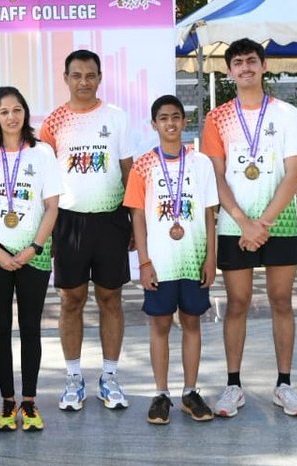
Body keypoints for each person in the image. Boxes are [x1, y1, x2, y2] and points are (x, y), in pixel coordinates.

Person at [201, 38, 297, 418]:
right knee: (237, 304)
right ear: (229, 71)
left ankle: (284, 385)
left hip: (278, 224)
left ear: (264, 66)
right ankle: (233, 386)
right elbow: (215, 176)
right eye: (237, 62)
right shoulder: (217, 118)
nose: (245, 67)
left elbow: (294, 173)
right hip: (235, 226)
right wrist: (244, 222)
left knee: (281, 301)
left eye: (251, 61)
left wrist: (262, 223)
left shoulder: (287, 114)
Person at [38, 49, 133, 412]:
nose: (83, 82)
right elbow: (46, 180)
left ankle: (109, 377)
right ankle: (73, 379)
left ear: (99, 78)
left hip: (110, 218)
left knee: (110, 299)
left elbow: (129, 171)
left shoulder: (116, 118)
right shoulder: (53, 122)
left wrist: (132, 221)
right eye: (76, 75)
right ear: (66, 78)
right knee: (71, 300)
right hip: (68, 221)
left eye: (90, 75)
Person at [0, 87, 62, 432]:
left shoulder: (43, 153)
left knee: (31, 327)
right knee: (0, 329)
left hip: (34, 253)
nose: (11, 116)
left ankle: (30, 401)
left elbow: (52, 207)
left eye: (17, 109)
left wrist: (33, 247)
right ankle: (8, 401)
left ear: (26, 113)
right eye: (4, 111)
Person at [124, 95, 219, 425]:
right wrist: (145, 263)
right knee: (160, 324)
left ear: (184, 121)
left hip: (193, 259)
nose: (170, 123)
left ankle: (190, 391)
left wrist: (211, 260)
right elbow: (137, 217)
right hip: (160, 262)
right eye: (163, 118)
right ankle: (161, 394)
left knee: (191, 322)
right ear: (154, 124)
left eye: (176, 117)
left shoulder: (201, 163)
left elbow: (209, 215)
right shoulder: (142, 165)